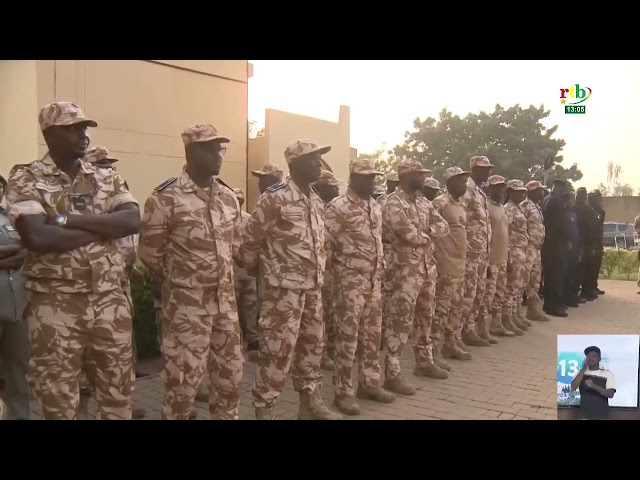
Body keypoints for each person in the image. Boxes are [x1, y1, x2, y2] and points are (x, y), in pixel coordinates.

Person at [6, 101, 140, 420]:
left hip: (110, 302)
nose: (83, 134)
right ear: (50, 134)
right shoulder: (26, 177)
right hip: (56, 305)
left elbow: (132, 221)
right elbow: (37, 237)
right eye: (73, 128)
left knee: (117, 397)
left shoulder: (106, 177)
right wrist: (103, 226)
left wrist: (64, 220)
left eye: (85, 127)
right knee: (58, 401)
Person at [138, 124, 244, 420]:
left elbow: (233, 244)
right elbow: (149, 252)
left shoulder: (227, 197)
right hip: (187, 310)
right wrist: (184, 280)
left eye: (219, 148)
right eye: (210, 149)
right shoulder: (165, 198)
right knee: (182, 386)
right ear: (191, 152)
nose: (218, 155)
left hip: (226, 309)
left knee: (230, 380)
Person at [236, 139, 342, 420]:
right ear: (294, 164)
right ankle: (266, 411)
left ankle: (310, 405)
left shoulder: (316, 201)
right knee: (275, 356)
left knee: (312, 349)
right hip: (282, 294)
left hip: (312, 291)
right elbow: (249, 244)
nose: (319, 164)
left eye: (320, 158)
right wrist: (266, 276)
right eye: (313, 159)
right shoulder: (274, 198)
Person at [77, 145, 147, 420]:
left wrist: (133, 270)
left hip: (119, 290)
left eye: (110, 164)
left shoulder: (117, 201)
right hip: (89, 294)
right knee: (85, 358)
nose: (108, 169)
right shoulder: (84, 203)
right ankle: (81, 408)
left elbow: (129, 240)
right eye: (102, 164)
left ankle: (122, 406)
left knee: (119, 359)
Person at [324, 158, 395, 415]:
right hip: (349, 284)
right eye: (365, 177)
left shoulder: (374, 206)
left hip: (374, 282)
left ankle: (370, 383)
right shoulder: (338, 207)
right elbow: (324, 245)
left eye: (373, 177)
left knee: (372, 337)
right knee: (347, 340)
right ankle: (343, 392)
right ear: (353, 178)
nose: (371, 181)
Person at [382, 160, 450, 395]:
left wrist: (427, 233)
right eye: (419, 175)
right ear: (406, 176)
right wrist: (426, 235)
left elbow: (444, 226)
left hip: (426, 270)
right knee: (400, 321)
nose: (423, 179)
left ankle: (424, 361)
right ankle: (392, 372)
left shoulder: (424, 202)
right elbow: (407, 234)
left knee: (425, 317)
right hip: (403, 272)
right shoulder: (392, 202)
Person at [432, 167, 473, 366]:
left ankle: (451, 343)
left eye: (465, 181)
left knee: (456, 307)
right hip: (445, 265)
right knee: (441, 309)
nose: (464, 185)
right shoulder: (439, 203)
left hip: (459, 264)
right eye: (460, 181)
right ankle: (434, 350)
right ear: (448, 183)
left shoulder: (461, 204)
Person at [0, 171, 29, 420]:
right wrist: (15, 252)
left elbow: (28, 250)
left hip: (18, 304)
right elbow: (19, 250)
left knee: (18, 368)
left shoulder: (12, 217)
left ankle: (20, 416)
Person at [459, 156, 494, 348]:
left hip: (482, 252)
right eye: (483, 169)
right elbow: (460, 219)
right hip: (471, 253)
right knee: (468, 294)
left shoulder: (480, 191)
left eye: (488, 169)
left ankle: (469, 328)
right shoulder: (468, 189)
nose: (487, 172)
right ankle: (458, 333)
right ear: (473, 169)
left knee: (479, 293)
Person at [480, 175, 520, 337]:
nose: (500, 191)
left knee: (500, 292)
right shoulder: (486, 207)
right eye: (497, 188)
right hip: (491, 259)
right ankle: (482, 327)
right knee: (487, 295)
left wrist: (509, 257)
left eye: (502, 188)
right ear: (489, 189)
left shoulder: (502, 207)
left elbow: (507, 234)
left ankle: (496, 324)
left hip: (503, 257)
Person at [312, 170, 341, 371]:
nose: (337, 189)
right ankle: (320, 354)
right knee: (319, 313)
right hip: (317, 269)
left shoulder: (329, 207)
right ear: (322, 187)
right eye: (333, 186)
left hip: (331, 268)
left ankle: (329, 348)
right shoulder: (317, 207)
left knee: (329, 311)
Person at [232, 188, 259, 355]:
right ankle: (236, 340)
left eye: (241, 199)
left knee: (251, 306)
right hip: (232, 271)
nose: (239, 202)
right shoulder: (225, 218)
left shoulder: (248, 219)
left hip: (247, 271)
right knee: (232, 309)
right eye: (236, 199)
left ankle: (253, 338)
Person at [503, 180, 530, 333]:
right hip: (514, 251)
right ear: (511, 192)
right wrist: (509, 256)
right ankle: (507, 318)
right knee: (511, 287)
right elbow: (506, 233)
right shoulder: (509, 209)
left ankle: (515, 314)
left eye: (522, 191)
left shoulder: (518, 208)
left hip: (522, 250)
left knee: (519, 286)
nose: (522, 194)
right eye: (518, 191)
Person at [520, 180, 549, 322]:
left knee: (535, 280)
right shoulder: (524, 206)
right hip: (527, 248)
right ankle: (516, 314)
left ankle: (532, 311)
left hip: (536, 249)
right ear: (532, 191)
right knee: (522, 280)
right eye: (540, 190)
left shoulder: (536, 206)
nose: (542, 192)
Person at [378, 171, 400, 349]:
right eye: (391, 183)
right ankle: (382, 332)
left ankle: (386, 333)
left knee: (393, 296)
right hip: (385, 251)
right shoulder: (382, 202)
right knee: (385, 294)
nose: (394, 185)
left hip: (396, 254)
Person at [541, 179, 570, 317]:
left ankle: (549, 305)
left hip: (548, 242)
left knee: (550, 276)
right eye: (563, 189)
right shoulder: (557, 201)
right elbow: (561, 224)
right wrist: (567, 238)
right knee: (556, 276)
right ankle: (554, 306)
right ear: (559, 188)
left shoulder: (546, 199)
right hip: (556, 243)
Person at [570, 346, 616, 420]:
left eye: (594, 356)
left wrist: (594, 386)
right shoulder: (580, 373)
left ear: (599, 359)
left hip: (602, 416)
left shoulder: (608, 374)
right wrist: (583, 369)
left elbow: (610, 394)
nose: (590, 359)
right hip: (584, 416)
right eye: (588, 356)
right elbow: (573, 387)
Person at [574, 187, 598, 302]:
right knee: (580, 270)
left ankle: (586, 291)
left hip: (586, 241)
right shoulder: (582, 209)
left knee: (586, 269)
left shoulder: (585, 208)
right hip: (582, 242)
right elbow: (589, 227)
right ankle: (583, 292)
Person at [563, 191, 582, 308]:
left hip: (575, 247)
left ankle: (572, 296)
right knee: (567, 275)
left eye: (573, 200)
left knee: (573, 275)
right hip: (567, 248)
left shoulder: (573, 214)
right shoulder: (563, 214)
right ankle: (566, 298)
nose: (572, 202)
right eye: (570, 200)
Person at [587, 191, 605, 295]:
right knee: (591, 266)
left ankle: (594, 286)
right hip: (591, 242)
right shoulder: (589, 212)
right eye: (598, 200)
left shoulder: (601, 212)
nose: (600, 202)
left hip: (598, 242)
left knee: (597, 265)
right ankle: (589, 288)